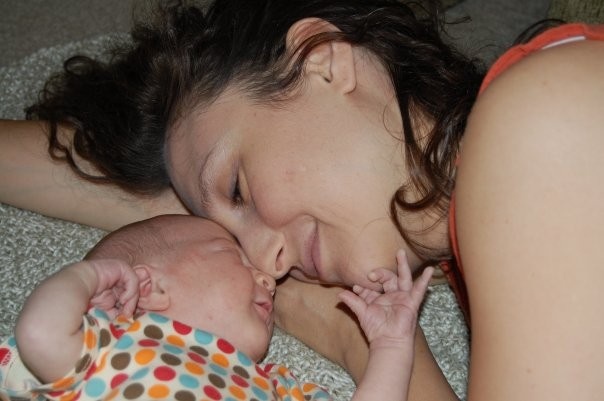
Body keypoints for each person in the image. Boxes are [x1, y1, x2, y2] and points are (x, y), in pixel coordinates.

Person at [1, 0, 603, 400]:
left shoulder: (544, 115)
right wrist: (367, 341)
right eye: (233, 238)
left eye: (237, 188)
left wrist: (334, 323)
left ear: (322, 62)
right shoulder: (493, 220)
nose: (268, 263)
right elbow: (149, 226)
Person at [0, 214, 433, 401]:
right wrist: (87, 277)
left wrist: (391, 346)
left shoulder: (279, 386)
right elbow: (39, 332)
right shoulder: (112, 344)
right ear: (149, 286)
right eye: (234, 256)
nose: (268, 280)